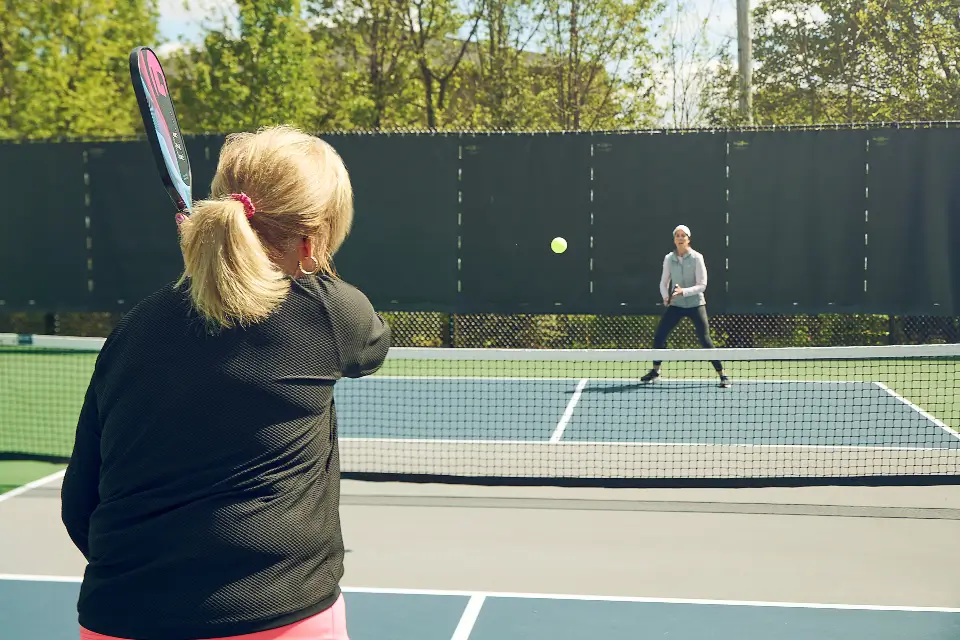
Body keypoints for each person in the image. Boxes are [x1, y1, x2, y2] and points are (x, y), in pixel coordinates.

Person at [60, 125, 391, 640]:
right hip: (278, 614)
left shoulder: (131, 333)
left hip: (119, 614)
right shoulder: (331, 314)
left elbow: (79, 501)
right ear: (314, 241)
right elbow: (373, 346)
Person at [641, 224, 731, 388]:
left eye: (684, 235)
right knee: (659, 336)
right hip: (676, 305)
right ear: (674, 239)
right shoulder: (669, 258)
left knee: (705, 340)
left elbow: (702, 285)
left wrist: (684, 292)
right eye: (678, 235)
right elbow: (664, 282)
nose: (680, 238)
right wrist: (666, 296)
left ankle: (722, 375)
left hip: (696, 304)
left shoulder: (697, 258)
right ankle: (655, 371)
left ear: (688, 239)